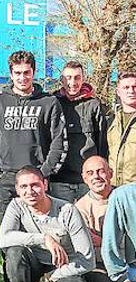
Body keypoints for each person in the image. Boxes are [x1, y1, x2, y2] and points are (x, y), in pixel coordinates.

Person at [0, 50, 67, 282]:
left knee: (41, 232)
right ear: (10, 74)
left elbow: (58, 142)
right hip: (6, 181)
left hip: (36, 182)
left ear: (33, 72)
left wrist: (44, 174)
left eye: (26, 72)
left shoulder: (48, 103)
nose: (22, 78)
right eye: (17, 73)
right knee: (9, 235)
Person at [0, 166, 94, 282]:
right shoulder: (16, 206)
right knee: (14, 253)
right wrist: (43, 239)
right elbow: (3, 239)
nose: (30, 191)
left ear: (45, 184)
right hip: (33, 266)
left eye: (35, 185)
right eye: (24, 187)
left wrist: (49, 277)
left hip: (62, 268)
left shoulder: (67, 210)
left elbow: (87, 260)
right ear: (17, 190)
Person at [50, 61, 107, 202]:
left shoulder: (94, 105)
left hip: (87, 180)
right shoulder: (53, 103)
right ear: (61, 79)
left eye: (77, 77)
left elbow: (102, 143)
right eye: (68, 77)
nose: (73, 82)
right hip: (59, 180)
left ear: (83, 79)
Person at [75, 156, 115, 282]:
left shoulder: (126, 198)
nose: (96, 177)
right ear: (84, 179)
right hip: (100, 262)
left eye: (100, 171)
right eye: (90, 173)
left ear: (110, 173)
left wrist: (103, 240)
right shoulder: (79, 208)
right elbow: (88, 243)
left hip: (130, 256)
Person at [108, 71, 136, 186]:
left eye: (135, 87)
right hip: (115, 187)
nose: (131, 91)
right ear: (118, 92)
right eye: (126, 87)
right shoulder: (111, 120)